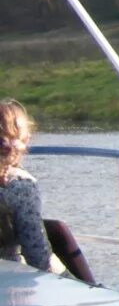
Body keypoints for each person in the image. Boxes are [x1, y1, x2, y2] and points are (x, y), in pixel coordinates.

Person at [0, 98, 64, 274]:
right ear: (24, 140)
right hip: (7, 284)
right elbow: (37, 255)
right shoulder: (19, 186)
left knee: (57, 231)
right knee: (59, 233)